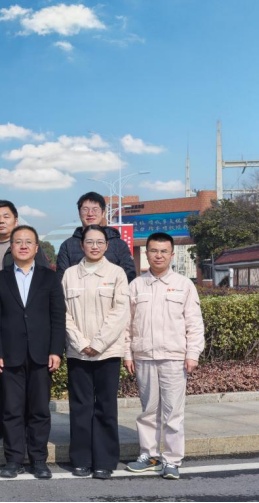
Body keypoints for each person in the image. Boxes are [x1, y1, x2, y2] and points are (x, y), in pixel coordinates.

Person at [0, 226, 66, 480]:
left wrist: (56, 350)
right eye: (18, 242)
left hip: (41, 354)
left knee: (39, 410)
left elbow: (58, 317)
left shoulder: (49, 278)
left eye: (28, 242)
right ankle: (13, 459)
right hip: (10, 354)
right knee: (11, 409)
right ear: (11, 247)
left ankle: (39, 459)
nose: (23, 246)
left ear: (36, 248)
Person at [125, 232, 205, 481]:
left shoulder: (184, 284)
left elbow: (194, 323)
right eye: (153, 251)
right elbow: (127, 325)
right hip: (144, 357)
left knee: (173, 412)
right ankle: (149, 455)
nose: (158, 255)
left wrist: (193, 354)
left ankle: (171, 460)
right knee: (148, 411)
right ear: (146, 253)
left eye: (163, 251)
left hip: (174, 358)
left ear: (171, 255)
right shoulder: (136, 285)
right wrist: (127, 354)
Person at [0, 200, 51, 442]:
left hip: (23, 323)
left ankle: (27, 426)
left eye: (6, 216)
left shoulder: (25, 245)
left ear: (15, 220)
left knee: (25, 380)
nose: (1, 221)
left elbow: (43, 280)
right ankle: (0, 424)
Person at [62, 224, 131, 480]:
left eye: (99, 242)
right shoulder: (69, 275)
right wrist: (81, 343)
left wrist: (99, 343)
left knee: (105, 406)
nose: (94, 246)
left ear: (107, 245)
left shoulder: (117, 273)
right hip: (78, 352)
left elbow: (120, 311)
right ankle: (81, 460)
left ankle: (105, 460)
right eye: (89, 242)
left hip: (108, 352)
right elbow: (62, 313)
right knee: (80, 407)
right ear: (81, 245)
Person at [56, 192, 136, 282]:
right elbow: (61, 279)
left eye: (95, 209)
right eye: (85, 209)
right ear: (79, 213)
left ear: (103, 213)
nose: (90, 213)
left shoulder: (119, 244)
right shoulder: (67, 246)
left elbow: (128, 276)